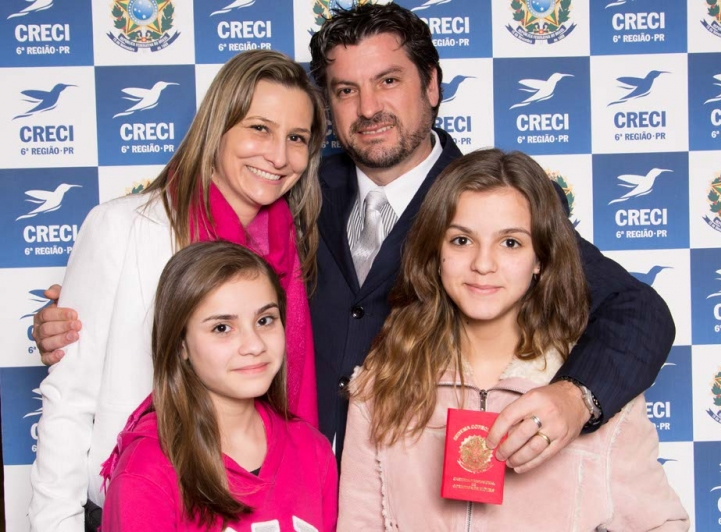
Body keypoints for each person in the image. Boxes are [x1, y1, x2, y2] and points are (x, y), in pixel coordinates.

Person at [34, 4, 675, 471]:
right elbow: (196, 262)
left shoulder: (489, 202)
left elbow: (637, 309)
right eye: (346, 90)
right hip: (279, 486)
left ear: (432, 85)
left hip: (423, 488)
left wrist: (574, 398)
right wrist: (86, 319)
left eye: (388, 81)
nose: (368, 108)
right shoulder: (294, 186)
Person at [29, 50, 326, 531]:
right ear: (216, 128)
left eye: (297, 137)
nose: (278, 156)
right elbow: (69, 399)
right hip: (138, 504)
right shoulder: (124, 227)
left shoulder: (296, 247)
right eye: (259, 128)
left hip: (269, 506)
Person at [339, 149, 689, 530]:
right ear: (436, 251)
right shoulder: (380, 384)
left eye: (510, 243)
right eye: (461, 240)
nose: (483, 264)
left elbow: (662, 523)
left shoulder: (598, 399)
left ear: (540, 259)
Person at [101, 241, 337, 532]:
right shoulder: (146, 472)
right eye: (222, 328)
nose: (254, 345)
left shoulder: (313, 450)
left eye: (265, 320)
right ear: (181, 344)